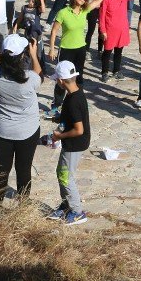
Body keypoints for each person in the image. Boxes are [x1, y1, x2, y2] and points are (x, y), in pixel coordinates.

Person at [0, 34, 44, 207]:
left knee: (1, 170)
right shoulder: (29, 79)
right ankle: (22, 205)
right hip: (27, 131)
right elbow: (40, 75)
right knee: (23, 169)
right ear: (23, 56)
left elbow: (2, 65)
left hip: (2, 129)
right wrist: (34, 54)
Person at [46, 60, 90, 226]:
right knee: (61, 172)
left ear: (61, 81)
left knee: (66, 177)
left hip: (74, 144)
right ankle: (67, 204)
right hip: (74, 143)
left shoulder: (72, 101)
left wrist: (59, 136)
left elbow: (79, 129)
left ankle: (77, 211)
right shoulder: (77, 93)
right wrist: (58, 118)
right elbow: (73, 119)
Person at [47, 0, 102, 116]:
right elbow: (54, 31)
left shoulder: (84, 10)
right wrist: (52, 48)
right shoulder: (63, 12)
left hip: (80, 49)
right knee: (61, 78)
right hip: (66, 49)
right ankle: (56, 105)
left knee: (78, 77)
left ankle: (77, 102)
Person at [98, 0, 140, 81]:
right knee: (107, 52)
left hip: (122, 30)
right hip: (110, 30)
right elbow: (102, 16)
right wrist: (103, 30)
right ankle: (104, 72)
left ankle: (116, 70)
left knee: (118, 52)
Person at [14, 0, 47, 71]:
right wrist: (16, 26)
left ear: (36, 5)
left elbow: (43, 10)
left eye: (33, 2)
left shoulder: (37, 10)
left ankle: (42, 67)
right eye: (31, 0)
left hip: (36, 33)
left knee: (38, 52)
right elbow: (20, 18)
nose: (30, 2)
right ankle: (28, 66)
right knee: (28, 50)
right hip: (28, 32)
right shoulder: (24, 8)